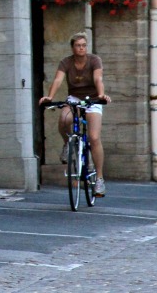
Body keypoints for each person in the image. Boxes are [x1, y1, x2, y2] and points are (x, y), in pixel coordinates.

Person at [39, 32, 111, 197]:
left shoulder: (94, 60)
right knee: (65, 119)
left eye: (84, 45)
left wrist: (101, 95)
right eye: (78, 45)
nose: (81, 48)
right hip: (75, 98)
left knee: (93, 137)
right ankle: (67, 144)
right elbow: (58, 80)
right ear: (72, 47)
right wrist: (49, 97)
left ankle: (99, 179)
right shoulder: (66, 62)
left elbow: (98, 78)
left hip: (92, 99)